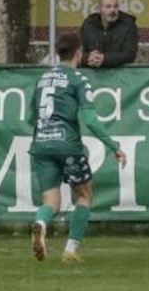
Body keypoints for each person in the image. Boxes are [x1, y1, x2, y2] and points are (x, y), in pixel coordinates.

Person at [28, 31, 126, 264]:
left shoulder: (42, 79)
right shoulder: (78, 79)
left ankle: (40, 223)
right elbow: (91, 121)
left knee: (51, 202)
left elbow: (31, 116)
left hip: (41, 144)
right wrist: (113, 146)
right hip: (68, 146)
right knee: (84, 195)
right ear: (79, 53)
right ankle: (70, 250)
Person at [81, 0, 140, 68]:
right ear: (99, 9)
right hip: (92, 73)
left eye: (115, 6)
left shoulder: (128, 25)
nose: (113, 10)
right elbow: (79, 53)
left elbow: (129, 54)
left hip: (119, 74)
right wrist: (88, 58)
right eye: (108, 7)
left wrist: (104, 59)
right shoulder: (88, 25)